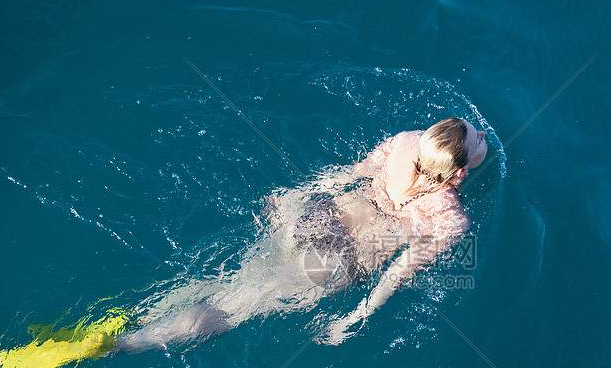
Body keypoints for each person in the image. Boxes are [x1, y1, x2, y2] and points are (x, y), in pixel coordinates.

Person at [117, 117, 488, 350]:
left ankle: (133, 315)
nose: (483, 134)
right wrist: (355, 318)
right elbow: (396, 274)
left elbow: (348, 174)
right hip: (337, 261)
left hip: (315, 217)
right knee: (233, 308)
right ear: (459, 174)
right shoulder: (448, 218)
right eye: (478, 139)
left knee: (232, 281)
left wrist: (295, 198)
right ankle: (122, 344)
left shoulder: (408, 141)